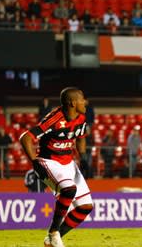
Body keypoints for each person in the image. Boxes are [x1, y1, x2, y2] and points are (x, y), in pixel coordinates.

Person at [20, 87, 93, 247]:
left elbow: (80, 137)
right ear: (73, 102)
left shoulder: (81, 117)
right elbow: (25, 137)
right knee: (69, 189)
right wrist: (34, 161)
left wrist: (84, 157)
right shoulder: (53, 119)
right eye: (82, 99)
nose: (85, 102)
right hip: (50, 162)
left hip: (68, 163)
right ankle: (53, 232)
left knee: (85, 207)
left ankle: (51, 239)